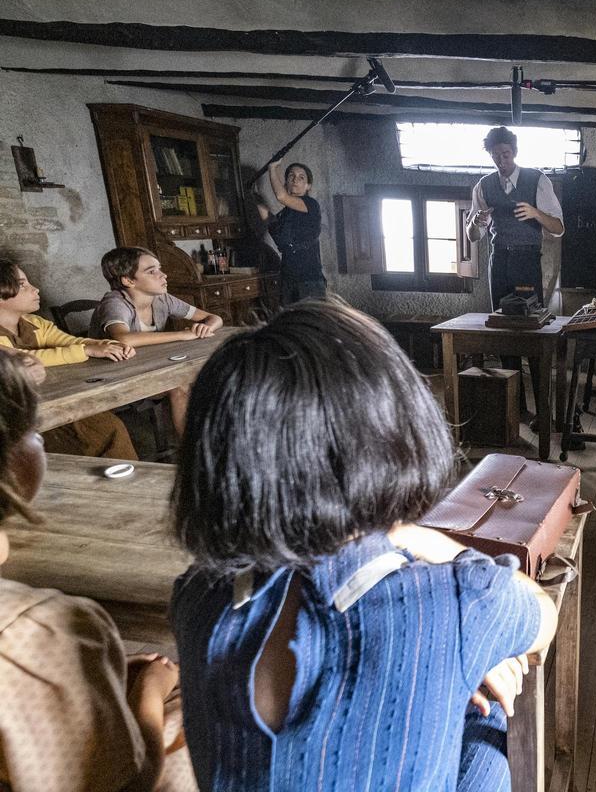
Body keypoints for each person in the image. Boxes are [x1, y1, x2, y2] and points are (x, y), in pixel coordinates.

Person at [170, 298, 558, 791]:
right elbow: (543, 615)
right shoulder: (459, 598)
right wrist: (410, 538)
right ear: (395, 433)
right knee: (488, 733)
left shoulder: (196, 597)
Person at [0, 351, 197, 792]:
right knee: (200, 700)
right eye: (35, 430)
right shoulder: (41, 625)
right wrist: (150, 689)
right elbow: (126, 782)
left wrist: (97, 669)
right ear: (13, 459)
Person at [0, 259, 138, 460]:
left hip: (56, 400)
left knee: (110, 429)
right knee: (102, 434)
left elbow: (69, 341)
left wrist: (105, 345)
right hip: (20, 415)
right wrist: (86, 351)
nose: (35, 289)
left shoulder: (35, 323)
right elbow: (26, 360)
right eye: (23, 285)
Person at [90, 246, 224, 435]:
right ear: (128, 280)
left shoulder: (162, 299)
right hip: (112, 378)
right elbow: (123, 338)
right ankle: (191, 452)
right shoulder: (115, 303)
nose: (163, 275)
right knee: (179, 384)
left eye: (159, 269)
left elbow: (214, 318)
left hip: (148, 367)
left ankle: (214, 440)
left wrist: (206, 327)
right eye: (152, 271)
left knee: (208, 378)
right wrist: (183, 334)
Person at [466, 126, 565, 309]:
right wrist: (474, 222)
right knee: (500, 314)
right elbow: (473, 236)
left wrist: (536, 213)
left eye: (506, 154)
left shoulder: (538, 180)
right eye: (496, 156)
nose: (502, 161)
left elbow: (558, 228)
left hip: (527, 259)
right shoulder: (484, 186)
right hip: (499, 259)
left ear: (515, 152)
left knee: (529, 314)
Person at [256, 160, 325, 303]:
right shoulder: (286, 214)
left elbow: (281, 197)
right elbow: (270, 221)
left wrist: (272, 168)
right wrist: (252, 195)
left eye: (301, 177)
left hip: (309, 280)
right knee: (290, 322)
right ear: (286, 183)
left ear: (308, 186)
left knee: (309, 323)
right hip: (288, 278)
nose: (295, 180)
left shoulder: (311, 205)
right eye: (291, 176)